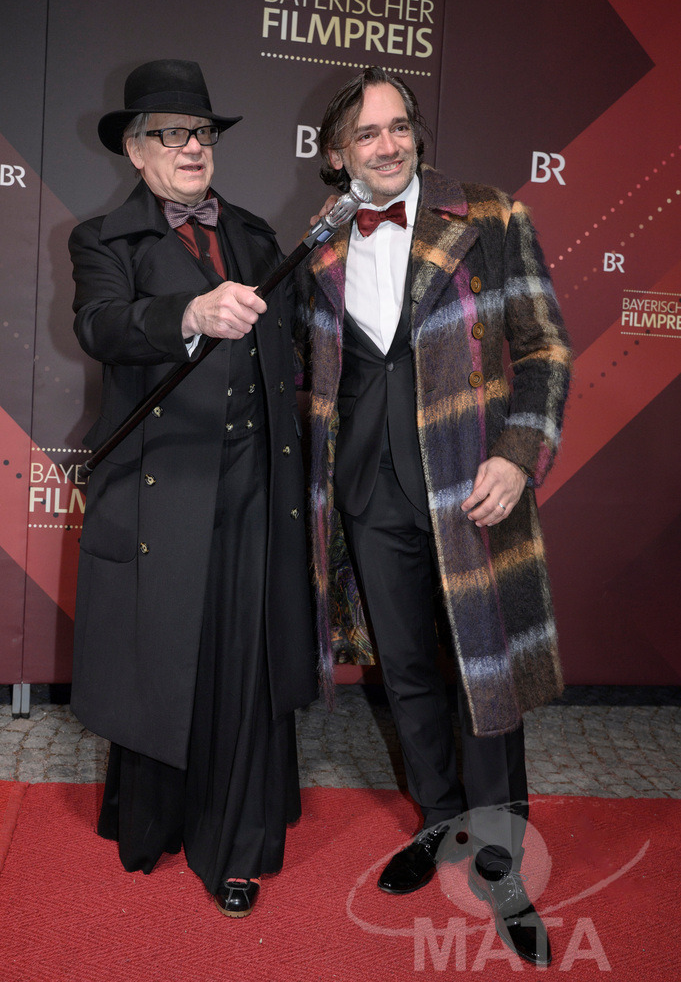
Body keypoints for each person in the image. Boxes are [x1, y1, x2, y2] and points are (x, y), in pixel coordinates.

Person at [298, 66, 571, 966]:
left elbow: (542, 346)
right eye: (366, 135)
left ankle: (502, 861)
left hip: (468, 486)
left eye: (398, 126)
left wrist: (516, 453)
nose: (387, 145)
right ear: (337, 156)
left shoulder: (488, 217)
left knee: (484, 683)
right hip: (370, 497)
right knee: (410, 676)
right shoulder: (323, 244)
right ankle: (440, 824)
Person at [68, 59, 317, 918]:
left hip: (256, 480)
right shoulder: (104, 240)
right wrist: (187, 315)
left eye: (201, 133)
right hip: (161, 486)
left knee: (244, 659)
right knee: (165, 655)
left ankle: (237, 844)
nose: (191, 148)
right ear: (135, 152)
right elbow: (101, 326)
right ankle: (157, 818)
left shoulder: (252, 233)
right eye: (170, 134)